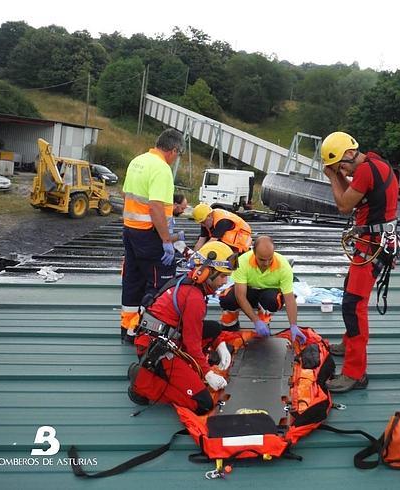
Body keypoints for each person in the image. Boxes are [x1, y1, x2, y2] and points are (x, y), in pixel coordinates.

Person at [321, 131, 399, 393]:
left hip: (372, 245)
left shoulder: (366, 171)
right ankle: (349, 344)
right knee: (350, 294)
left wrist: (333, 176)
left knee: (353, 306)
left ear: (349, 154)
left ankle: (355, 373)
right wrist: (339, 173)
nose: (343, 171)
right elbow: (354, 197)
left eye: (342, 165)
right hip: (373, 243)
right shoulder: (375, 164)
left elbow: (343, 205)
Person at [127, 241, 237, 415]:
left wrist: (220, 343)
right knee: (202, 404)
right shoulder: (194, 298)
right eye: (223, 276)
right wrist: (208, 374)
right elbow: (192, 343)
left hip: (164, 338)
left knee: (214, 328)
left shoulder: (188, 283)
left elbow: (193, 329)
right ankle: (142, 384)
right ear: (208, 272)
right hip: (159, 352)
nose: (225, 281)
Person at [121, 129, 185, 342]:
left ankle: (128, 327)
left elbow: (128, 195)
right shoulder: (161, 169)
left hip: (130, 230)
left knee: (133, 279)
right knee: (160, 282)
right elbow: (156, 207)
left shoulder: (137, 161)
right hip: (149, 234)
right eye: (178, 154)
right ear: (173, 150)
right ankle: (147, 330)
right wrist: (167, 240)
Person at [219, 235, 306, 344]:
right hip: (248, 291)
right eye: (262, 259)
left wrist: (293, 325)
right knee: (227, 299)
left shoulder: (283, 266)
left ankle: (264, 322)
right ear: (254, 252)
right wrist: (256, 321)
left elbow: (289, 299)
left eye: (270, 259)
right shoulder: (242, 262)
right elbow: (240, 296)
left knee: (271, 300)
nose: (266, 263)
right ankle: (230, 327)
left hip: (268, 294)